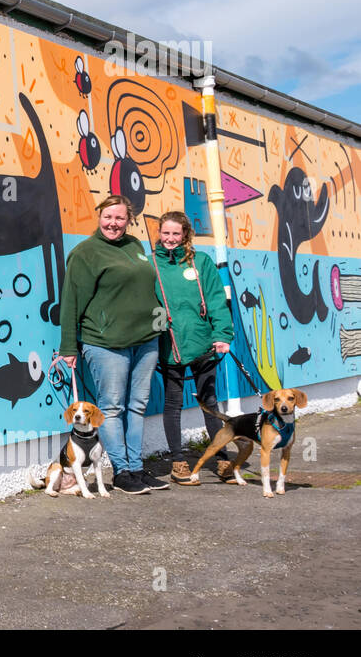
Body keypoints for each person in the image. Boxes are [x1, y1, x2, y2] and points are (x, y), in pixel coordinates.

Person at [56, 195, 166, 495]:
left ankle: (137, 468)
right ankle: (121, 472)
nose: (113, 223)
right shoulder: (85, 254)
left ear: (128, 220)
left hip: (145, 340)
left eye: (119, 218)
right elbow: (70, 303)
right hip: (106, 343)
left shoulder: (135, 246)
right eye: (108, 217)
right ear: (99, 216)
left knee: (138, 406)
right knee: (112, 408)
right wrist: (68, 347)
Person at [151, 210, 235, 483]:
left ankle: (222, 459)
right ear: (159, 234)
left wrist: (222, 334)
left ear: (185, 234)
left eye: (176, 233)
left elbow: (215, 300)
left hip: (203, 344)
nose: (170, 239)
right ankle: (178, 462)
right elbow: (148, 305)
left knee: (209, 403)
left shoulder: (202, 262)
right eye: (166, 233)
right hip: (170, 346)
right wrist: (154, 333)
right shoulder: (150, 264)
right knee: (173, 404)